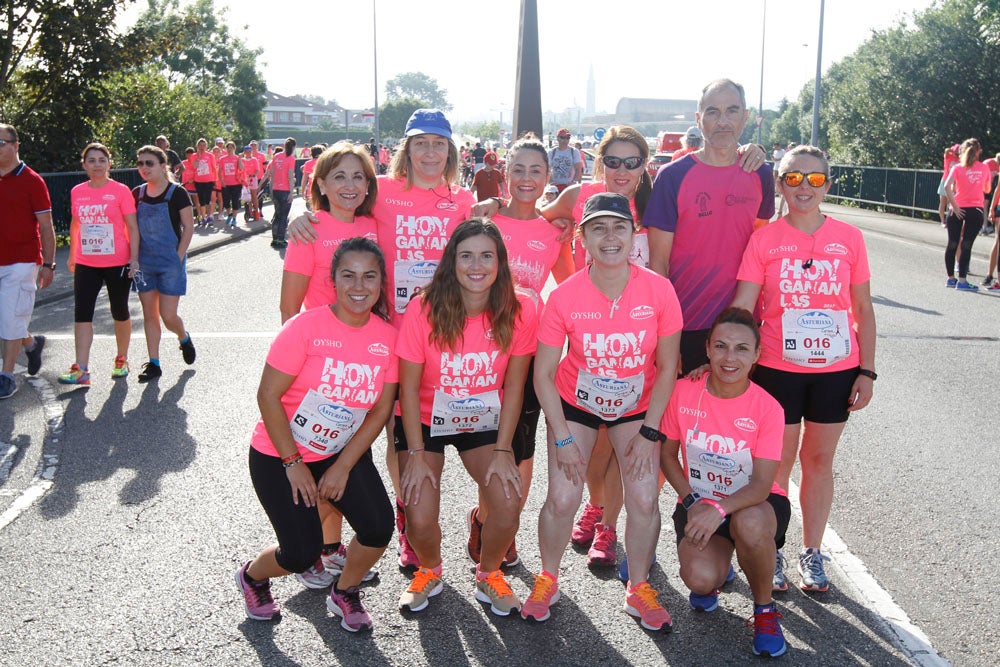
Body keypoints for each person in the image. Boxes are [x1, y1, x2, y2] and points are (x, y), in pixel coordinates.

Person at [287, 108, 478, 571]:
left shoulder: (464, 200)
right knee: (343, 429)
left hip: (437, 334)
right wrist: (297, 210)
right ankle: (329, 544)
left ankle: (407, 522)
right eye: (420, 144)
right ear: (406, 150)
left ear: (450, 151)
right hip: (379, 333)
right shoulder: (384, 195)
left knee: (399, 433)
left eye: (438, 144)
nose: (429, 153)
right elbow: (337, 205)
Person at [523, 193, 682, 632]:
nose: (609, 237)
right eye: (598, 228)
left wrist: (651, 433)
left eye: (619, 227)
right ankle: (548, 578)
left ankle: (640, 586)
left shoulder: (659, 289)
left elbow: (669, 367)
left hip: (638, 409)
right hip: (576, 405)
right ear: (583, 238)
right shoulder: (566, 296)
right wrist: (562, 437)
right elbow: (544, 374)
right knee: (562, 497)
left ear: (633, 236)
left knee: (645, 497)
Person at [731, 144, 876, 593]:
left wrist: (866, 371)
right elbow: (743, 304)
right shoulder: (765, 239)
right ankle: (770, 550)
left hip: (836, 369)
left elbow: (863, 308)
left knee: (818, 461)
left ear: (827, 185)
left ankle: (812, 552)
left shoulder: (849, 238)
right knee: (776, 466)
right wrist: (729, 359)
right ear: (780, 183)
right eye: (794, 178)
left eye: (815, 179)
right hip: (777, 367)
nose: (805, 187)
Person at [236, 238, 398, 631]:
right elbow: (267, 396)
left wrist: (343, 466)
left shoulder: (388, 338)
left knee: (378, 528)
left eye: (369, 277)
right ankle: (253, 577)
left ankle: (345, 592)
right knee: (300, 554)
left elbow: (379, 409)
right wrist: (293, 464)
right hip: (280, 454)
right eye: (349, 276)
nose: (359, 287)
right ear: (333, 280)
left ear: (381, 283)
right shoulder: (304, 328)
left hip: (339, 450)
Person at [395, 218, 536, 616]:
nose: (477, 265)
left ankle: (489, 574)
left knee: (508, 503)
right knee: (419, 513)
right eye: (466, 255)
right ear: (451, 262)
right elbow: (406, 388)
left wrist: (504, 449)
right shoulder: (423, 308)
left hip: (484, 417)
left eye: (487, 256)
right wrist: (418, 453)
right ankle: (429, 569)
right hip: (424, 420)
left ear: (500, 263)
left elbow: (515, 387)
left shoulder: (519, 310)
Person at [660, 307, 790, 658]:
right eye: (721, 346)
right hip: (698, 503)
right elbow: (668, 456)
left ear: (757, 355)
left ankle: (764, 611)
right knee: (700, 580)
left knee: (747, 524)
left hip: (754, 505)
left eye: (741, 349)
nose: (729, 357)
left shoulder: (769, 409)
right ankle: (721, 567)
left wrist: (718, 509)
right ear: (707, 348)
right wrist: (692, 502)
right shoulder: (683, 392)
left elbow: (762, 485)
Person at [466, 134, 562, 568]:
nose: (526, 179)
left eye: (535, 171)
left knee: (522, 448)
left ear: (548, 177)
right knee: (486, 444)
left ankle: (506, 528)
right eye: (518, 170)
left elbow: (574, 286)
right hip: (480, 355)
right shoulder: (486, 221)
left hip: (527, 355)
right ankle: (485, 519)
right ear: (505, 174)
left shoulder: (554, 232)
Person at [646, 78, 773, 375]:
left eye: (732, 111)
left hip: (741, 324)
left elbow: (760, 250)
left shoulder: (761, 173)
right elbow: (658, 264)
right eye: (713, 112)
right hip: (685, 322)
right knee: (680, 417)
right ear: (699, 119)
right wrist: (666, 337)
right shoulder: (672, 176)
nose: (723, 120)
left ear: (746, 116)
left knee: (732, 417)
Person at [58, 143, 139, 385]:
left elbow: (132, 227)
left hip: (117, 261)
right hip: (86, 261)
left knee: (119, 311)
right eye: (91, 160)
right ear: (84, 165)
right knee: (82, 313)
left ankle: (122, 358)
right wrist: (73, 255)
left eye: (101, 160)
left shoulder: (120, 191)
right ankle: (81, 369)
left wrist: (134, 259)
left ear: (109, 163)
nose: (97, 164)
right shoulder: (78, 191)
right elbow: (75, 224)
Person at [281, 142, 379, 322]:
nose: (350, 185)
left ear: (367, 185)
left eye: (358, 177)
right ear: (322, 185)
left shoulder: (377, 224)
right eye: (339, 177)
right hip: (322, 343)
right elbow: (289, 309)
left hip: (370, 342)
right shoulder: (307, 230)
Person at [132, 145, 197, 383]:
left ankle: (183, 337)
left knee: (168, 315)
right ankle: (154, 363)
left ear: (162, 165)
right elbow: (131, 228)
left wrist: (179, 256)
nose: (144, 168)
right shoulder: (137, 193)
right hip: (145, 263)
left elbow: (189, 227)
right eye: (140, 164)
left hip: (171, 262)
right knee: (150, 315)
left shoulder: (177, 192)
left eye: (149, 163)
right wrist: (133, 259)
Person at [0, 123, 53, 399]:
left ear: (15, 145)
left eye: (1, 142)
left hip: (21, 261)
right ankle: (31, 344)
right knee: (6, 318)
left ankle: (6, 376)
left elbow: (46, 226)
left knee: (10, 319)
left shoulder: (32, 181)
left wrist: (48, 264)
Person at [942, 138, 991, 291]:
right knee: (966, 245)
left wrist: (955, 207)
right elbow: (987, 189)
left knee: (952, 244)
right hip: (975, 210)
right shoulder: (984, 168)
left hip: (957, 209)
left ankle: (951, 279)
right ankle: (962, 281)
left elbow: (946, 186)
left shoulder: (957, 168)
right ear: (978, 152)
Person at [263, 137, 297, 248]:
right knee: (283, 216)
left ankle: (274, 238)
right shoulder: (290, 158)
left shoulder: (276, 156)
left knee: (277, 215)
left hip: (276, 189)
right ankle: (281, 239)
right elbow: (290, 176)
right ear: (293, 147)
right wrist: (292, 193)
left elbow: (271, 172)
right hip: (285, 189)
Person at [218, 141, 244, 228]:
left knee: (235, 201)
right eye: (228, 148)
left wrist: (239, 159)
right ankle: (229, 214)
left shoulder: (237, 158)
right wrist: (221, 181)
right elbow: (219, 171)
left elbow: (241, 168)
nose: (229, 149)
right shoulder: (223, 159)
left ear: (234, 148)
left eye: (231, 148)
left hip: (236, 183)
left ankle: (234, 219)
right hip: (226, 184)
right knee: (226, 202)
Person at [191, 138, 217, 226]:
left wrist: (215, 179)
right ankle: (203, 217)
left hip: (209, 180)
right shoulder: (194, 156)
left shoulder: (210, 155)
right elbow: (194, 166)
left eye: (203, 145)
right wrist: (198, 158)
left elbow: (214, 168)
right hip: (198, 180)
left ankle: (210, 216)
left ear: (206, 146)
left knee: (208, 199)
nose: (202, 147)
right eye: (200, 145)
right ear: (197, 146)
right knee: (201, 199)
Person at [938, 144, 960, 225]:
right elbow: (946, 150)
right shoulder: (948, 156)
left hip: (954, 182)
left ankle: (949, 220)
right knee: (942, 202)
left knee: (951, 202)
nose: (957, 155)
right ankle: (942, 220)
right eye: (956, 153)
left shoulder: (961, 159)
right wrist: (953, 150)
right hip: (945, 180)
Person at [241, 145, 263, 222]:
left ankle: (256, 211)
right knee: (247, 196)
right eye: (246, 152)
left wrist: (254, 175)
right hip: (245, 179)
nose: (248, 153)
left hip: (252, 179)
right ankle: (249, 211)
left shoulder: (254, 160)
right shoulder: (242, 160)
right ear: (244, 152)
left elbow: (257, 170)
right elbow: (240, 169)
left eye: (249, 152)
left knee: (254, 195)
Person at [299, 145, 323, 211]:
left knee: (312, 214)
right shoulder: (324, 163)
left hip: (310, 191)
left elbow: (304, 179)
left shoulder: (307, 163)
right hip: (322, 192)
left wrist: (303, 191)